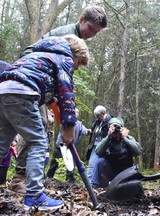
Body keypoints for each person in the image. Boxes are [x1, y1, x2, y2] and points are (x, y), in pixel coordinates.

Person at [9, 5, 108, 194]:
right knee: (39, 127)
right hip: (29, 81)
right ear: (81, 19)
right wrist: (68, 119)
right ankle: (20, 178)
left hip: (25, 82)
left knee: (18, 130)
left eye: (96, 32)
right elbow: (64, 83)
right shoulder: (66, 38)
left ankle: (28, 178)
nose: (92, 34)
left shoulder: (76, 39)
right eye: (90, 28)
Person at [0, 34, 90, 210]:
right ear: (74, 54)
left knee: (1, 144)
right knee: (38, 142)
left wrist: (48, 96)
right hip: (23, 92)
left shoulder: (37, 55)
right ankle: (34, 196)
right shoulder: (64, 57)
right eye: (78, 63)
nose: (76, 68)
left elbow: (39, 79)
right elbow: (66, 93)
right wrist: (69, 124)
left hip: (3, 89)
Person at [91, 117, 143, 188]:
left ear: (122, 129)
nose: (116, 131)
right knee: (99, 161)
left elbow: (138, 151)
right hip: (111, 172)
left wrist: (124, 138)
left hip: (125, 173)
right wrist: (108, 137)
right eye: (113, 128)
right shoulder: (107, 139)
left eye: (118, 128)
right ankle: (93, 186)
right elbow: (98, 152)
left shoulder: (128, 138)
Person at [46, 108, 91, 183]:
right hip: (61, 145)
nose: (76, 113)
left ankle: (70, 180)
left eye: (77, 112)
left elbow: (85, 132)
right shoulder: (66, 120)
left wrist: (90, 131)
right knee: (55, 162)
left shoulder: (79, 124)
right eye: (75, 112)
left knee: (71, 163)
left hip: (71, 147)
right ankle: (49, 177)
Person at [86, 105, 111, 182]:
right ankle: (89, 183)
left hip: (104, 147)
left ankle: (102, 183)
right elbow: (92, 130)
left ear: (103, 113)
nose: (97, 117)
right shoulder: (97, 122)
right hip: (95, 146)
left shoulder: (110, 121)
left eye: (98, 115)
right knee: (91, 165)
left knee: (103, 165)